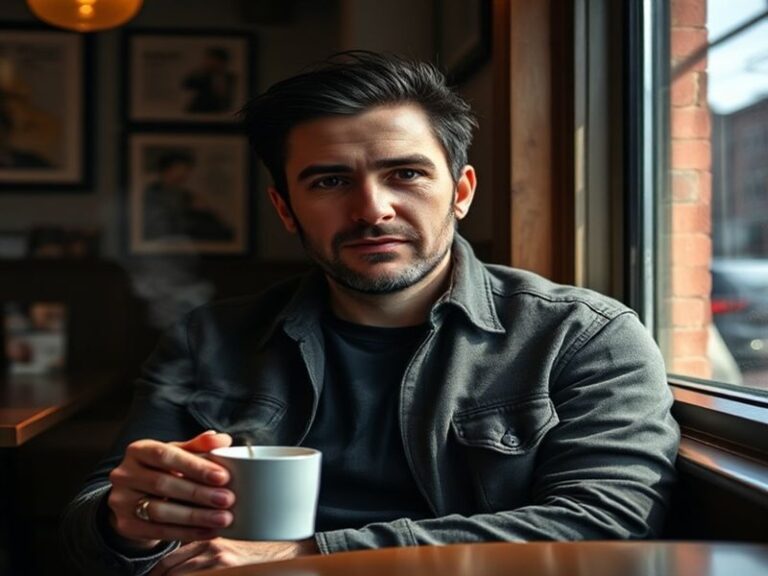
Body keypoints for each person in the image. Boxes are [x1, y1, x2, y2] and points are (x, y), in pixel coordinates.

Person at [62, 51, 679, 575]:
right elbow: (95, 520)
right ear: (286, 208)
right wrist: (130, 523)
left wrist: (309, 553)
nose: (371, 209)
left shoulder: (582, 337)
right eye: (329, 182)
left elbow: (608, 523)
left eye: (405, 173)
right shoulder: (209, 339)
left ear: (461, 192)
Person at [142, 151, 234, 242]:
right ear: (167, 169)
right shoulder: (152, 194)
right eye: (180, 169)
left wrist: (207, 211)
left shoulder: (185, 194)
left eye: (187, 170)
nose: (185, 174)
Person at [181, 47, 236, 114]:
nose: (207, 61)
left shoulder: (230, 77)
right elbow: (186, 84)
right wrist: (201, 72)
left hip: (221, 113)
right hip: (199, 112)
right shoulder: (203, 76)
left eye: (210, 59)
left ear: (220, 61)